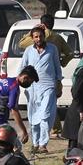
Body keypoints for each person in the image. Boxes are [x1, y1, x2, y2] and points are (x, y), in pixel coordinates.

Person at [19, 25, 61, 153]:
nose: (38, 39)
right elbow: (22, 68)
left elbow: (57, 67)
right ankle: (35, 143)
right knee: (33, 117)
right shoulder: (28, 51)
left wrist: (59, 83)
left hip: (48, 86)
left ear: (44, 36)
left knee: (45, 116)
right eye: (36, 37)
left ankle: (43, 144)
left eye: (40, 36)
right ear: (32, 38)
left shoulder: (52, 49)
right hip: (32, 88)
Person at [0, 65, 34, 146]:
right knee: (15, 146)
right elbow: (14, 111)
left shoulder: (7, 80)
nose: (30, 85)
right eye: (30, 82)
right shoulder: (14, 87)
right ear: (25, 77)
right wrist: (24, 131)